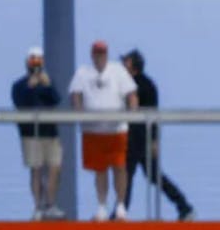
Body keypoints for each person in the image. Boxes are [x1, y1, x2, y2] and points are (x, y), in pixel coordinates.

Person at [67, 39, 138, 220]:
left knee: (119, 167)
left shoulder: (118, 71)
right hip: (93, 130)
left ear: (107, 54)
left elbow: (131, 94)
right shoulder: (83, 72)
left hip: (117, 128)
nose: (100, 57)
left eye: (103, 53)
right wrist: (79, 112)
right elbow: (75, 94)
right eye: (97, 54)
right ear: (92, 55)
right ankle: (102, 206)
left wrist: (132, 112)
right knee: (100, 170)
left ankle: (121, 205)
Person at [120, 49, 194, 219]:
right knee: (150, 175)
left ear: (133, 66)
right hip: (138, 137)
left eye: (127, 62)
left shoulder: (141, 86)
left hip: (137, 137)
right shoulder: (140, 84)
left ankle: (120, 213)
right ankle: (183, 205)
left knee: (129, 175)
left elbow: (153, 115)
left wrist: (154, 140)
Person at [11, 47, 63, 219]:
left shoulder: (48, 83)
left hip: (50, 132)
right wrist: (29, 87)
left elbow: (56, 99)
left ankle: (51, 204)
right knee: (36, 170)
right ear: (27, 63)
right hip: (30, 134)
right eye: (33, 61)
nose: (36, 65)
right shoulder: (19, 85)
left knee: (55, 167)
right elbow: (20, 102)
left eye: (39, 61)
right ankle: (38, 206)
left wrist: (46, 85)